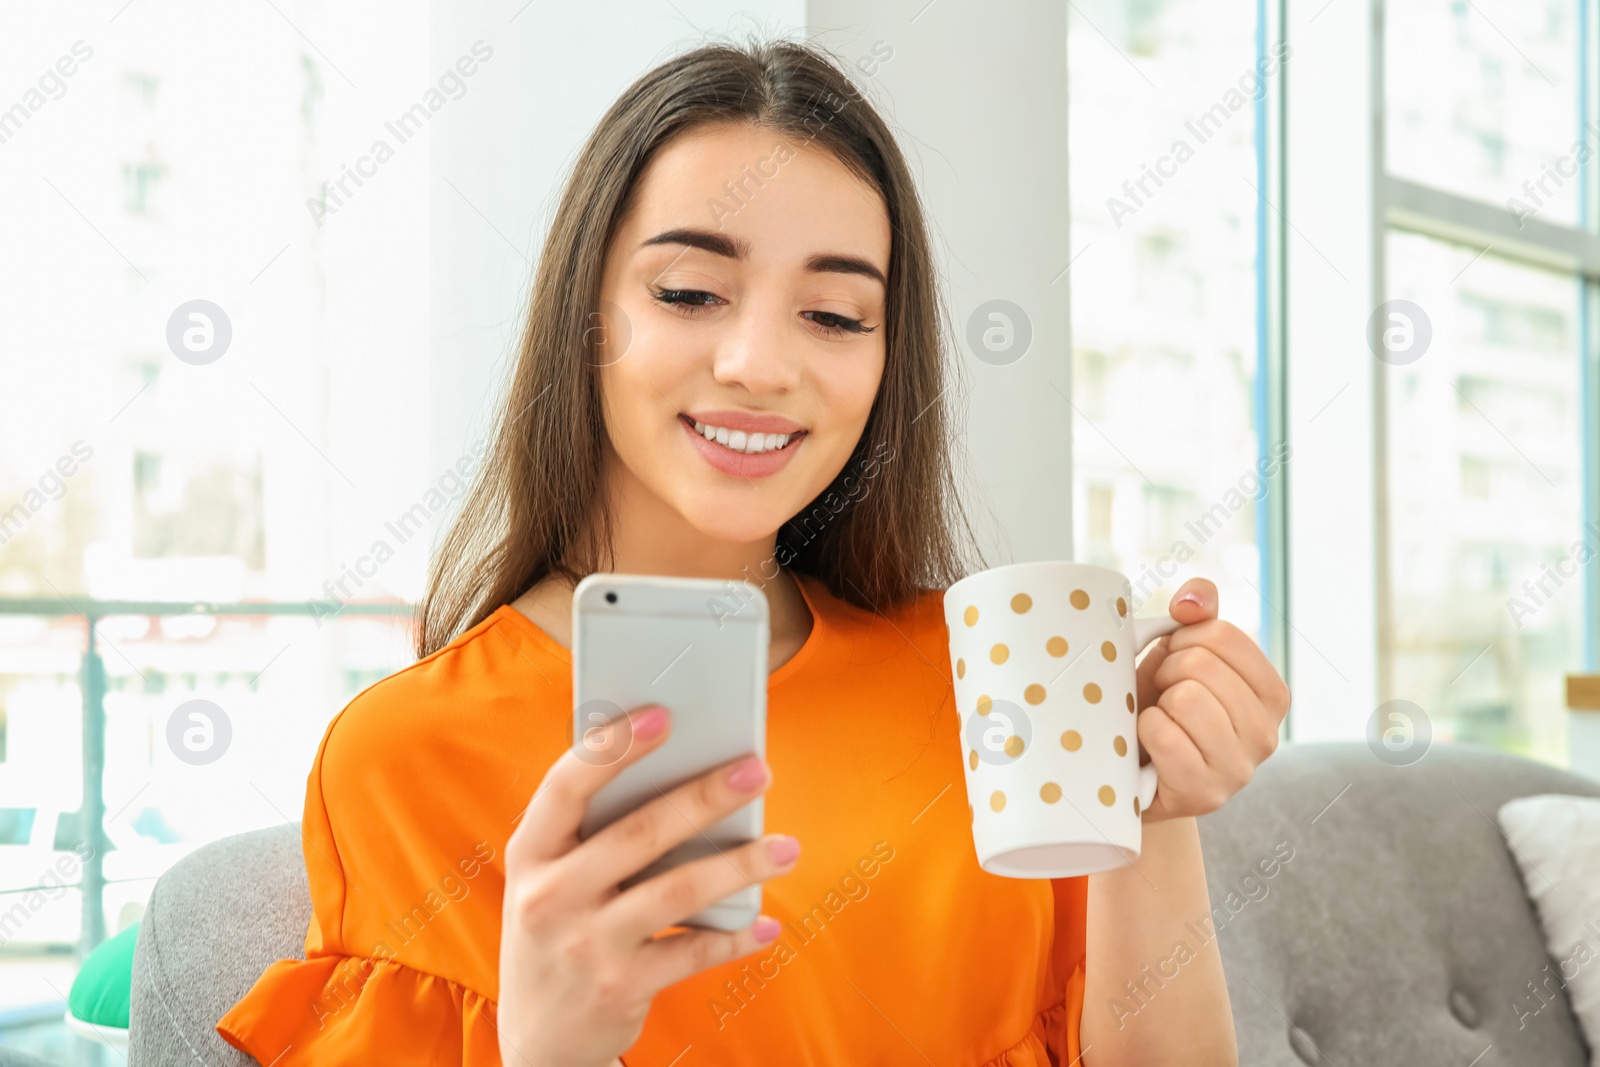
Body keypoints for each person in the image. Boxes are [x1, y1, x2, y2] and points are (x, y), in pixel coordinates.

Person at [217, 36, 1288, 1067]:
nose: (759, 363)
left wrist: (1150, 804)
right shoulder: (406, 755)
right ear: (583, 315)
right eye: (688, 292)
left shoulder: (990, 684)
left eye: (832, 312)